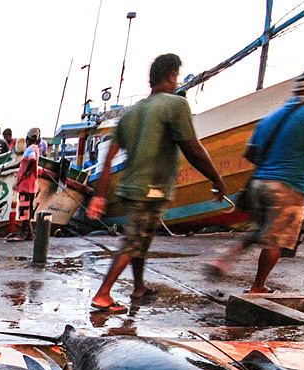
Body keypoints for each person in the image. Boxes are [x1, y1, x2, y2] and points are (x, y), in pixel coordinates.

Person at [87, 53, 227, 313]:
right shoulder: (175, 105)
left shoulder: (131, 113)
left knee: (141, 240)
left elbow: (109, 157)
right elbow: (193, 148)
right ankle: (102, 295)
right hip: (150, 189)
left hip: (129, 188)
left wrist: (100, 195)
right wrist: (216, 178)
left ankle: (139, 287)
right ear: (172, 76)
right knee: (134, 242)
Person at [207, 66, 304, 293]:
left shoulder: (270, 118)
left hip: (259, 184)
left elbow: (250, 154)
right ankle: (258, 286)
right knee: (275, 240)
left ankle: (225, 259)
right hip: (288, 187)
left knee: (264, 230)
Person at [7, 127, 42, 242]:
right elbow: (21, 163)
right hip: (30, 185)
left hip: (26, 184)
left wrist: (26, 172)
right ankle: (30, 233)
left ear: (27, 138)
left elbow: (31, 160)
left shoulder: (30, 149)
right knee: (27, 210)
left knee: (24, 210)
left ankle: (23, 233)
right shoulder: (35, 148)